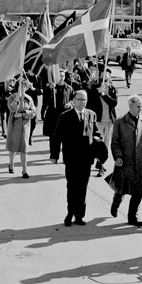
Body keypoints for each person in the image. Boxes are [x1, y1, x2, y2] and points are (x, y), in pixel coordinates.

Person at [50, 91, 101, 226]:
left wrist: (98, 145)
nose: (82, 102)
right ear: (73, 101)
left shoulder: (91, 114)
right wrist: (54, 155)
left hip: (86, 158)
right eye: (80, 100)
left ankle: (79, 215)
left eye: (85, 100)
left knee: (83, 188)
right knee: (72, 187)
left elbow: (96, 132)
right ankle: (70, 213)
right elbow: (57, 137)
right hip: (71, 158)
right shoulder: (65, 116)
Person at [108, 95, 142, 226]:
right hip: (125, 162)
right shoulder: (120, 122)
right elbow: (115, 142)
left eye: (141, 106)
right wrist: (117, 157)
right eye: (138, 107)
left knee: (139, 191)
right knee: (121, 188)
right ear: (130, 107)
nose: (140, 109)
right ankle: (116, 202)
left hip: (141, 162)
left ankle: (132, 216)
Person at [86, 66, 117, 177]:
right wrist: (96, 92)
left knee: (106, 144)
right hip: (98, 120)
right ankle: (100, 166)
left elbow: (114, 103)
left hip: (109, 120)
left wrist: (104, 95)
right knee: (99, 143)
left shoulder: (112, 88)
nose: (105, 76)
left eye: (107, 74)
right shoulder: (95, 88)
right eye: (103, 74)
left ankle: (100, 163)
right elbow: (89, 102)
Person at [6, 79, 37, 178]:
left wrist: (23, 114)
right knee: (13, 147)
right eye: (21, 85)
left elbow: (33, 112)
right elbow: (11, 109)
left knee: (24, 148)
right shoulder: (12, 97)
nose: (23, 86)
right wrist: (16, 99)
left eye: (25, 85)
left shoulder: (29, 98)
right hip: (14, 125)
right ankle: (11, 164)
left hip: (25, 126)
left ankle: (24, 170)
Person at [42, 71, 75, 138]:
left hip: (65, 115)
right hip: (53, 116)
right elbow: (46, 101)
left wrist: (70, 104)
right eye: (59, 76)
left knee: (65, 138)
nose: (61, 78)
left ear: (64, 77)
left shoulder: (69, 88)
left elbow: (73, 100)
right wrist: (50, 89)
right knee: (53, 140)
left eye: (62, 76)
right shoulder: (51, 87)